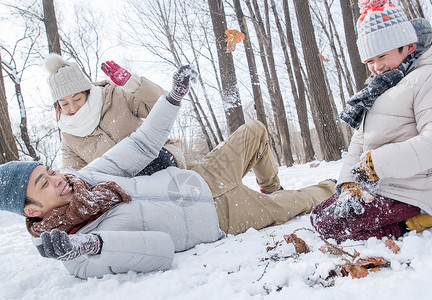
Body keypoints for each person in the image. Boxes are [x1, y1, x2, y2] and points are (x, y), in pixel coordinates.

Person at [0, 65, 335, 279]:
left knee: (254, 130)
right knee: (304, 199)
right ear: (31, 210)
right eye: (45, 183)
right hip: (225, 216)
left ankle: (271, 188)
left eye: (50, 171)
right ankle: (336, 186)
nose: (59, 178)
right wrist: (88, 245)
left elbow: (143, 143)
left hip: (201, 176)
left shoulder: (86, 178)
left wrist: (173, 97)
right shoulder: (78, 253)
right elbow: (159, 249)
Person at [310, 0, 432, 243]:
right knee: (319, 216)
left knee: (333, 226)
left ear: (408, 46)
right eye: (370, 61)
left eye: (382, 56)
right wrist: (349, 182)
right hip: (382, 183)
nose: (377, 67)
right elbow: (360, 140)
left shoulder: (431, 78)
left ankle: (414, 221)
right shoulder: (381, 88)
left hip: (416, 188)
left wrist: (377, 165)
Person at [44, 53, 186, 174]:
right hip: (128, 187)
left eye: (77, 99)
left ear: (87, 92)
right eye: (64, 104)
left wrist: (134, 85)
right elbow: (74, 176)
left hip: (158, 159)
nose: (73, 108)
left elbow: (160, 107)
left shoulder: (114, 96)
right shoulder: (69, 137)